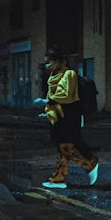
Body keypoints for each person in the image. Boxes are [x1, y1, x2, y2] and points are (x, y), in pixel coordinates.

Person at [35, 46, 99, 188]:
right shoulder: (52, 76)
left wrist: (47, 102)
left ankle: (90, 164)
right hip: (58, 116)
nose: (47, 66)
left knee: (66, 146)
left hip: (70, 114)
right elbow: (52, 96)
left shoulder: (69, 74)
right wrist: (46, 111)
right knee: (61, 147)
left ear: (59, 61)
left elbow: (66, 95)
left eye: (49, 62)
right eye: (46, 63)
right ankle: (59, 179)